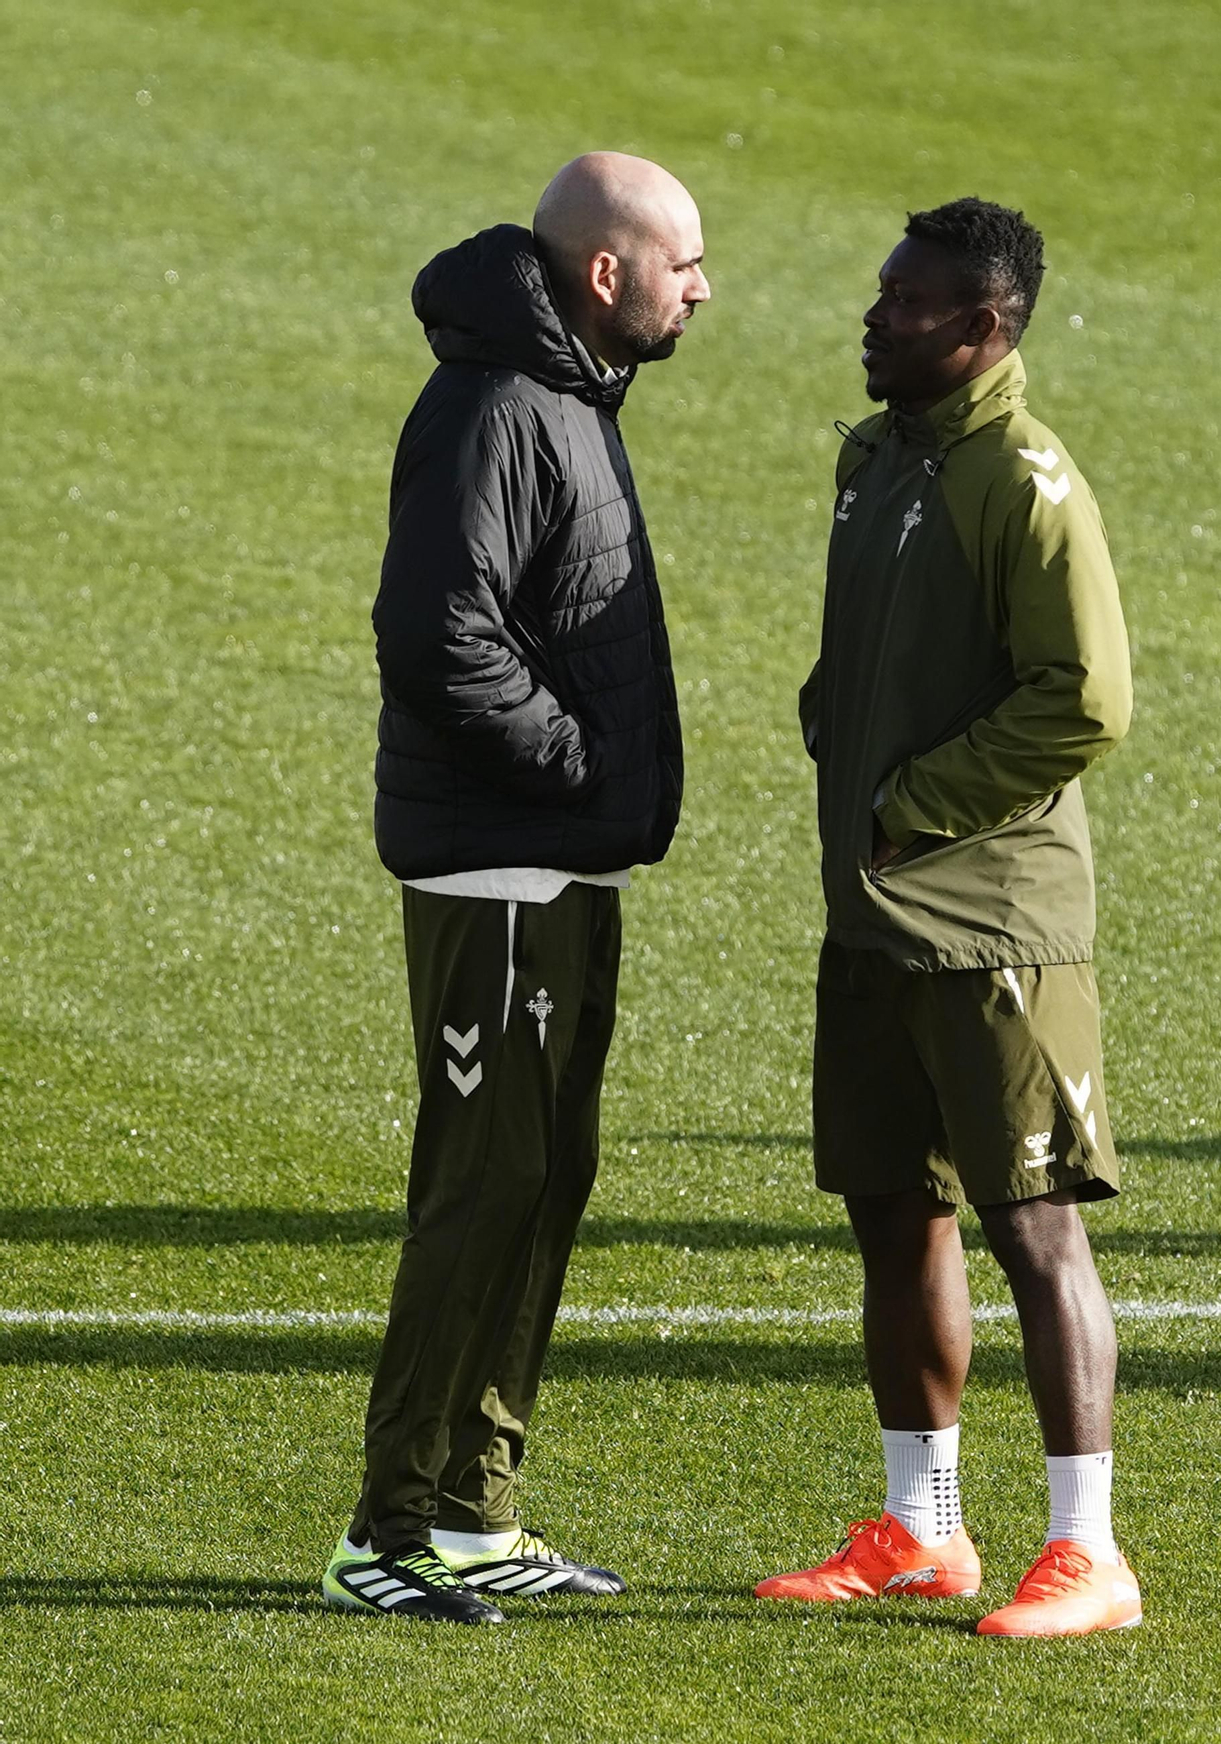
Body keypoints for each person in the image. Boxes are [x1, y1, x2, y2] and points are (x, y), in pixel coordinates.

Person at [322, 153, 710, 1625]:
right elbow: (435, 636)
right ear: (604, 272)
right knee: (480, 1187)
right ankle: (388, 1527)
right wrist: (569, 769)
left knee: (542, 1183)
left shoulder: (563, 398)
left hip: (560, 865)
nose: (703, 287)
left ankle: (476, 1509)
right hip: (496, 864)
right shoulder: (497, 407)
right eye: (683, 261)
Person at [755, 198, 1138, 1637]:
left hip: (993, 924)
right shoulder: (875, 461)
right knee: (892, 1211)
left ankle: (1090, 1552)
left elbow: (1086, 700)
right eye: (879, 288)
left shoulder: (1028, 482)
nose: (873, 313)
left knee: (1033, 1224)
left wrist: (917, 801)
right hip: (873, 917)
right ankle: (923, 1531)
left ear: (982, 328)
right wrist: (832, 726)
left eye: (905, 301)